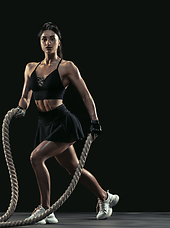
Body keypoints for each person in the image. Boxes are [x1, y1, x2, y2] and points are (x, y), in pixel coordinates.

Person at [15, 22, 119, 225]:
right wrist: (20, 109)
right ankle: (105, 197)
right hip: (44, 123)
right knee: (74, 169)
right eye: (44, 39)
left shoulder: (66, 67)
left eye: (52, 38)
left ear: (58, 42)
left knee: (36, 158)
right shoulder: (30, 68)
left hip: (63, 122)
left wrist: (95, 120)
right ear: (40, 42)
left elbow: (86, 96)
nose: (47, 42)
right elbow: (25, 98)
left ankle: (46, 209)